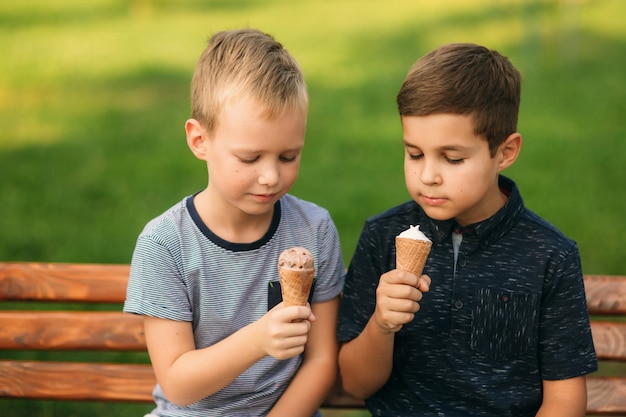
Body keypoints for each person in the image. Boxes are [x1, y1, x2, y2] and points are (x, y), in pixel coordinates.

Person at [337, 43, 597, 417]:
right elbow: (356, 384)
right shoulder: (383, 236)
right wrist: (382, 324)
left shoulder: (548, 256)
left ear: (505, 152)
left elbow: (565, 399)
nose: (428, 175)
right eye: (414, 154)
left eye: (452, 158)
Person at [124, 28, 345, 417]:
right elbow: (178, 382)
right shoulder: (165, 244)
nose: (271, 177)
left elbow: (321, 360)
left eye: (288, 156)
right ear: (199, 140)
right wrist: (258, 339)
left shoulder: (314, 229)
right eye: (249, 158)